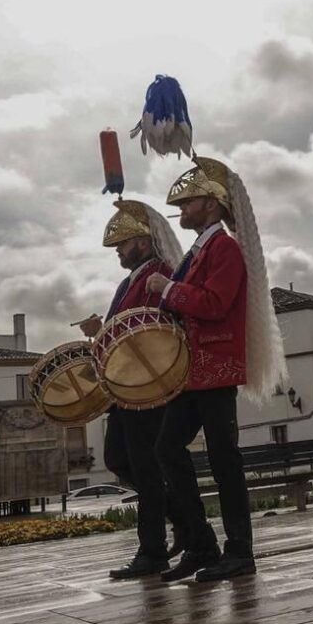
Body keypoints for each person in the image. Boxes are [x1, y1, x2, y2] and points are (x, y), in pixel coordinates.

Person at [144, 156, 287, 582]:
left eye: (187, 204)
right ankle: (202, 543)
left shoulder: (223, 248)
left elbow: (215, 303)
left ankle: (239, 550)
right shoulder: (202, 250)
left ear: (210, 204)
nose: (181, 211)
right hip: (193, 372)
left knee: (225, 461)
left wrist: (169, 288)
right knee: (168, 449)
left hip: (217, 368)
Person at [86, 199, 184, 579]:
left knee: (144, 467)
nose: (117, 251)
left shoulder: (159, 274)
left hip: (146, 389)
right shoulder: (130, 281)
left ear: (142, 243)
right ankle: (186, 524)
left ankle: (153, 551)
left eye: (123, 244)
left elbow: (150, 330)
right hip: (127, 389)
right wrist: (100, 331)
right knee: (119, 460)